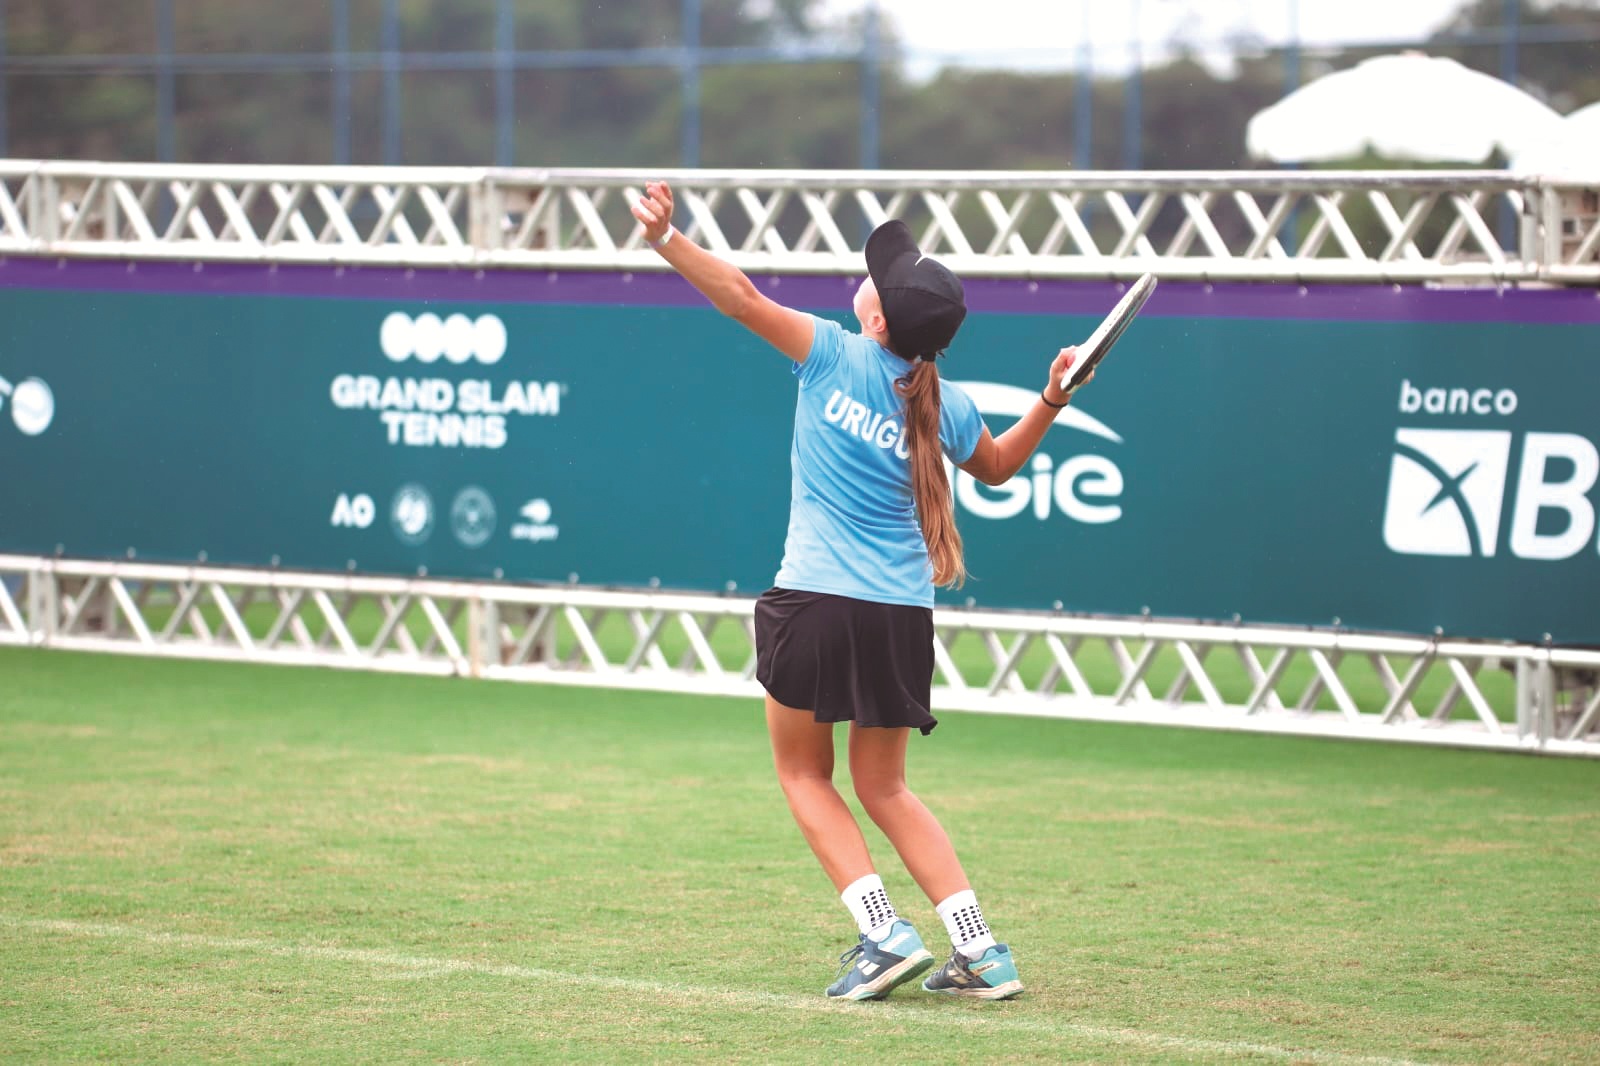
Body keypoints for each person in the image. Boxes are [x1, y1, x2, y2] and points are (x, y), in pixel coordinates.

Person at [631, 181, 1092, 1002]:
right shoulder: (945, 399)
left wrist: (669, 239)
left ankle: (883, 933)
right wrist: (1051, 398)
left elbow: (738, 297)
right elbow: (998, 467)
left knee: (805, 775)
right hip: (901, 614)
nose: (870, 279)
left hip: (813, 603)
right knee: (887, 788)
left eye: (881, 281)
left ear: (878, 321)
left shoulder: (834, 351)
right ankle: (982, 951)